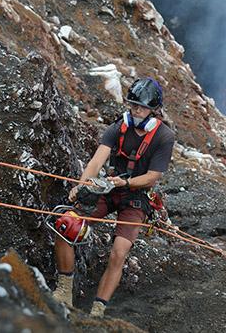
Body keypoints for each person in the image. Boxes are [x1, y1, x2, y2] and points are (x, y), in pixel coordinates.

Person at [52, 77, 175, 317]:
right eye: (133, 105)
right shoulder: (118, 127)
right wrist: (82, 186)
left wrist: (127, 182)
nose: (135, 110)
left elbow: (152, 177)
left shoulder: (164, 137)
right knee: (66, 224)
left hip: (136, 197)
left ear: (154, 110)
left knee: (119, 251)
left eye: (140, 107)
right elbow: (97, 161)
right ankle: (64, 290)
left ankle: (98, 309)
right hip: (109, 189)